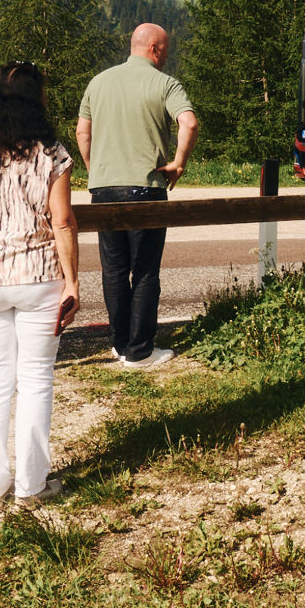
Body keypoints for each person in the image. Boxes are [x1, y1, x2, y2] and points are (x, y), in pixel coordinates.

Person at [0, 61, 79, 510]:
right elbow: (62, 221)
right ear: (34, 101)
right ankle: (31, 484)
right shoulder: (51, 154)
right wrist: (73, 282)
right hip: (38, 275)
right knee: (36, 379)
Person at [76, 23, 198, 370]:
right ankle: (140, 350)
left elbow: (82, 130)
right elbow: (188, 123)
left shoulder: (98, 82)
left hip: (103, 188)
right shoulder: (164, 83)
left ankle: (119, 344)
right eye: (167, 50)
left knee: (113, 270)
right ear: (156, 49)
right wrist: (178, 163)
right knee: (144, 271)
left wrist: (95, 168)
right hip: (146, 186)